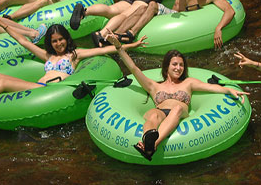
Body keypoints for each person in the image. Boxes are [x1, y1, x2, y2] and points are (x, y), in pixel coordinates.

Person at [0, 20, 146, 119]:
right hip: (38, 87)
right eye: (54, 41)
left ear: (67, 39)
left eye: (61, 39)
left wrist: (131, 46)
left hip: (52, 91)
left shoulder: (75, 54)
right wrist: (3, 24)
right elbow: (24, 42)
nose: (58, 44)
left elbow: (107, 49)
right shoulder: (47, 56)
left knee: (0, 80)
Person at [105, 30, 248, 161]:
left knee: (177, 109)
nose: (178, 68)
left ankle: (152, 146)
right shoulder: (154, 86)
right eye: (174, 64)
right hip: (160, 112)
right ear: (167, 66)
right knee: (153, 115)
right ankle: (147, 141)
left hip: (178, 113)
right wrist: (119, 47)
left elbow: (210, 87)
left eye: (181, 65)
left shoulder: (188, 83)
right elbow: (134, 68)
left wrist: (229, 90)